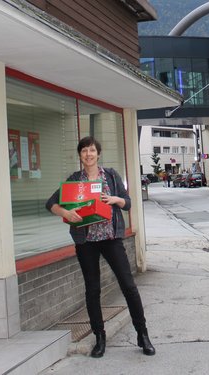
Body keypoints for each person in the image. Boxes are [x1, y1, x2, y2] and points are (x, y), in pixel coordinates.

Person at [45, 136, 155, 358]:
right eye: (84, 151)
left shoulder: (111, 176)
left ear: (98, 153)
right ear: (80, 155)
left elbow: (128, 202)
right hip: (86, 243)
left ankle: (142, 335)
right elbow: (51, 203)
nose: (88, 154)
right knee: (93, 290)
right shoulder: (75, 180)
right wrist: (66, 213)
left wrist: (116, 199)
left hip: (111, 238)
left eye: (92, 150)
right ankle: (100, 338)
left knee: (128, 285)